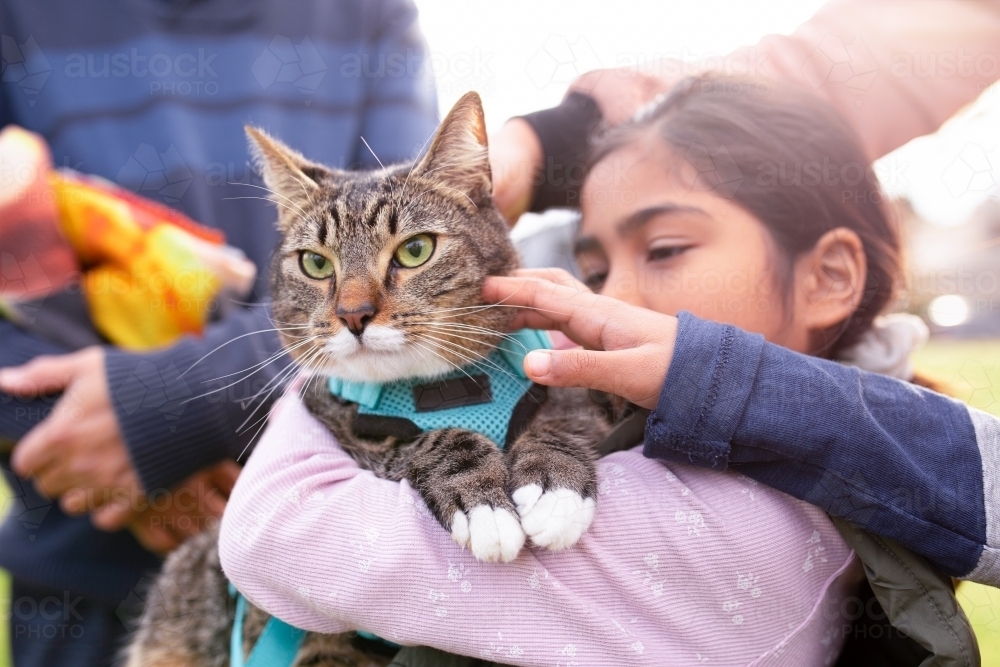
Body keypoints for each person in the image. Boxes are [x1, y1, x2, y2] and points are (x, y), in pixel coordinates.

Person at [219, 76, 997, 665]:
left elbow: (277, 534)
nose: (612, 296)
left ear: (828, 277)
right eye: (593, 266)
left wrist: (317, 381)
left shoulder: (775, 522)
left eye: (664, 249)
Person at [0, 1, 438, 664]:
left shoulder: (366, 14)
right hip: (80, 569)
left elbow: (415, 281)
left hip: (312, 582)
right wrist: (92, 424)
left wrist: (171, 408)